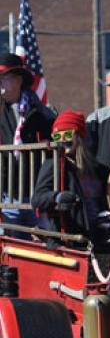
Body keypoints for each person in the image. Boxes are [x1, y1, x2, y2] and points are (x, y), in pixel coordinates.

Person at [31, 111, 110, 245]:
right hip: (69, 239)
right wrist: (56, 197)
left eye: (67, 134)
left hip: (98, 237)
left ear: (79, 136)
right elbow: (37, 199)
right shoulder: (54, 164)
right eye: (57, 136)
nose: (62, 139)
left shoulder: (98, 169)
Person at [0, 53, 55, 236]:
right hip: (6, 194)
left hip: (36, 194)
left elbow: (55, 138)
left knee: (39, 247)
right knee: (11, 246)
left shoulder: (39, 111)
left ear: (17, 80)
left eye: (3, 78)